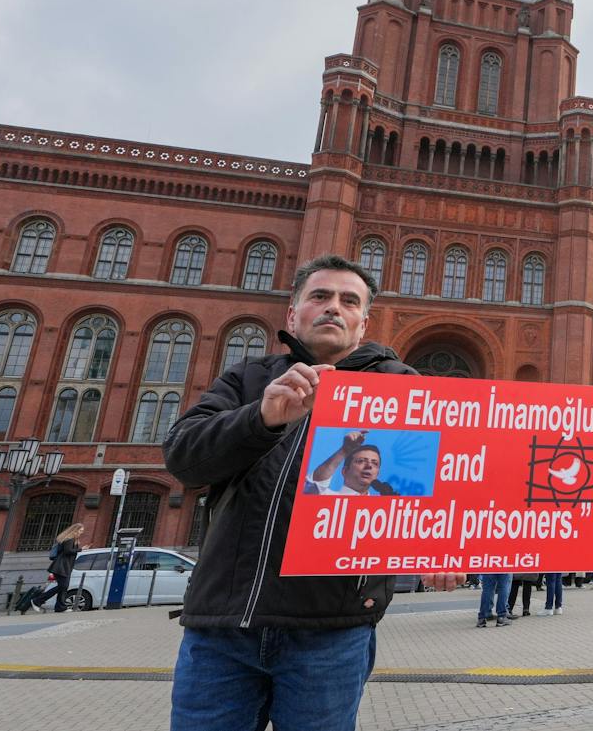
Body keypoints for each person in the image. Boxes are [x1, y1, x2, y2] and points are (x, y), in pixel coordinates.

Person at [162, 254, 463, 731]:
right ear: (292, 314)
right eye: (319, 296)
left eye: (348, 301)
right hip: (223, 626)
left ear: (363, 324)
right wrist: (260, 417)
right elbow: (184, 459)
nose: (332, 308)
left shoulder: (401, 386)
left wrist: (438, 546)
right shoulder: (249, 379)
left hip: (329, 630)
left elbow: (432, 485)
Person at [304, 430, 386, 496]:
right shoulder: (325, 496)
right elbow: (314, 484)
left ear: (377, 474)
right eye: (361, 461)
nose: (369, 466)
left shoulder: (382, 508)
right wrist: (344, 451)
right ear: (345, 471)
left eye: (374, 463)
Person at [30, 523, 86, 613]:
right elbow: (68, 551)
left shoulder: (72, 539)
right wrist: (81, 549)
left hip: (65, 567)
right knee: (63, 586)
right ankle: (37, 601)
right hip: (61, 566)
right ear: (75, 530)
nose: (81, 533)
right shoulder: (70, 539)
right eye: (80, 531)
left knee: (64, 587)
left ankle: (60, 607)